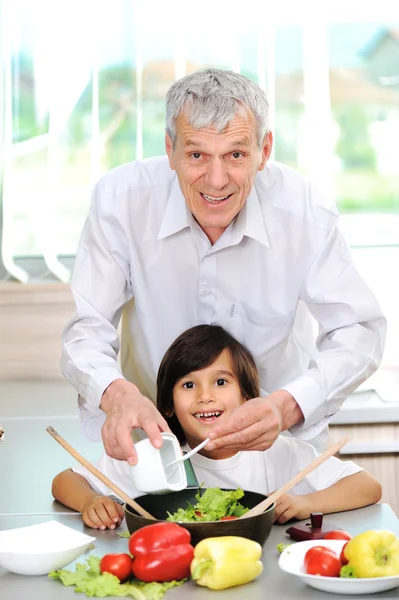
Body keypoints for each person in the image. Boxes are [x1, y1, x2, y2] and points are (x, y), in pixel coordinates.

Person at [61, 68, 386, 465]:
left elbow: (359, 331)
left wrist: (287, 407)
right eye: (197, 155)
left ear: (264, 151)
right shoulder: (121, 201)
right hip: (154, 444)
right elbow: (86, 328)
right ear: (170, 149)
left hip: (275, 446)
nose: (216, 181)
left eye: (236, 155)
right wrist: (116, 394)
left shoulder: (305, 212)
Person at [53, 325, 381, 530]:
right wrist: (88, 502)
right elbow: (66, 480)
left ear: (250, 397)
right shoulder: (156, 459)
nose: (206, 396)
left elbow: (367, 486)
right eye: (188, 385)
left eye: (221, 381)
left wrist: (307, 504)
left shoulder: (276, 453)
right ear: (167, 404)